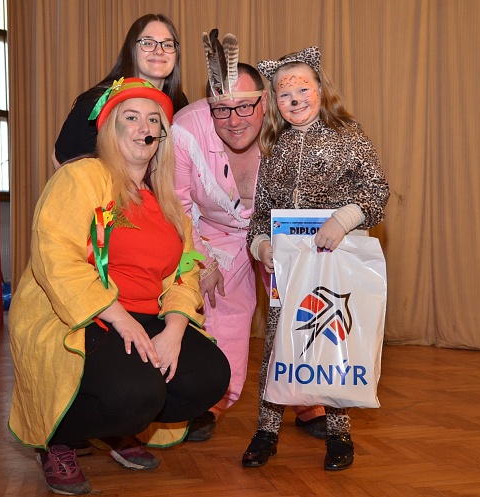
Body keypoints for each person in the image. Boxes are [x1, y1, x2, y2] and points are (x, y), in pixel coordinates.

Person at [8, 78, 231, 496]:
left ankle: (117, 427)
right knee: (137, 393)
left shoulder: (165, 198)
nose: (144, 127)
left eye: (153, 120)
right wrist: (121, 319)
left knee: (209, 377)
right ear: (111, 128)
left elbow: (184, 271)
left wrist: (175, 329)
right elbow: (56, 259)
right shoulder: (81, 177)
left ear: (161, 136)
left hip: (147, 316)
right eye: (131, 117)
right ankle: (58, 438)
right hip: (84, 316)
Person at [172, 30, 326, 442]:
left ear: (265, 102)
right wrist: (201, 260)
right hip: (214, 231)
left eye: (244, 106)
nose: (234, 119)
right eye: (222, 109)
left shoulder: (293, 126)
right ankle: (212, 399)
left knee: (299, 307)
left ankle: (309, 399)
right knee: (220, 309)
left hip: (280, 228)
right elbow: (177, 204)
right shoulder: (184, 130)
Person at [241, 46, 389, 471]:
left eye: (303, 89)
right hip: (288, 270)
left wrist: (343, 219)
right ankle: (266, 431)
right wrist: (261, 245)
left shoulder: (348, 135)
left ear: (321, 89)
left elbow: (376, 191)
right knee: (278, 345)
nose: (295, 99)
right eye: (285, 94)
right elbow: (261, 214)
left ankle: (339, 434)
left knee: (334, 343)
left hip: (336, 261)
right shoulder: (274, 147)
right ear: (275, 102)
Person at [52, 13, 188, 169]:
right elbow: (61, 161)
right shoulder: (97, 103)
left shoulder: (179, 103)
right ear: (131, 49)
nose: (159, 51)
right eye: (148, 43)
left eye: (168, 45)